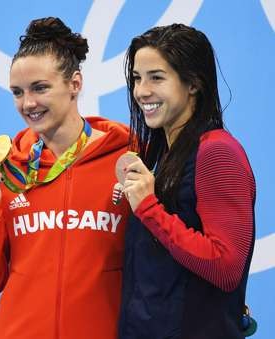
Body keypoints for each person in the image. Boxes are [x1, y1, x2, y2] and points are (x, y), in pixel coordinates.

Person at [0, 17, 130, 339]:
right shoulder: (7, 170)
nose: (28, 103)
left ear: (75, 84)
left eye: (40, 88)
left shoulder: (126, 159)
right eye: (17, 92)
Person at [118, 23, 255, 339]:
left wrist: (149, 209)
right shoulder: (160, 154)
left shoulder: (217, 152)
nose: (141, 91)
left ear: (193, 83)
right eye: (137, 78)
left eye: (156, 77)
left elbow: (225, 267)